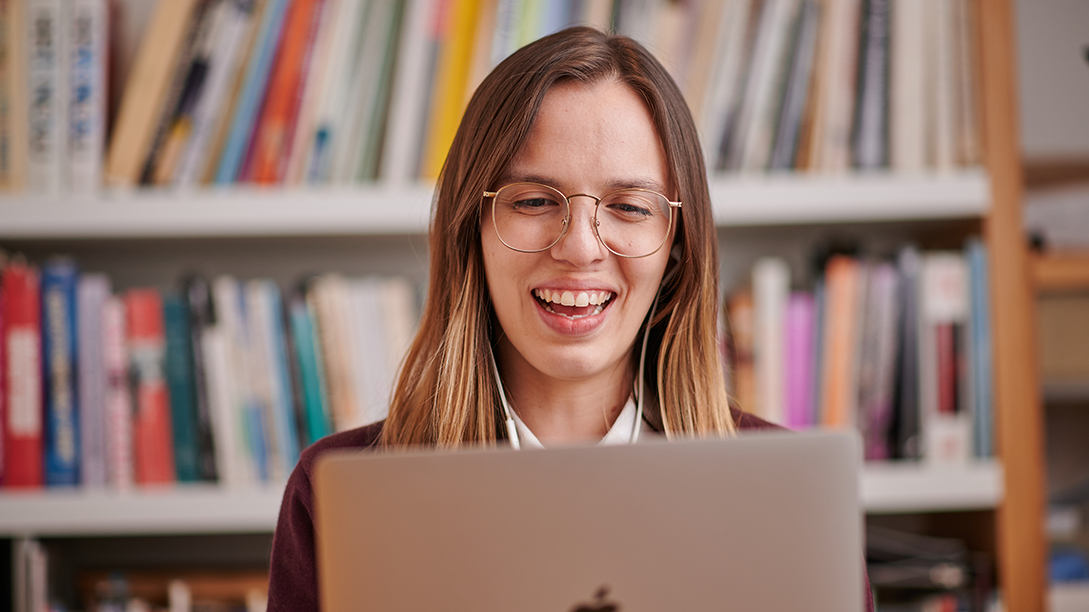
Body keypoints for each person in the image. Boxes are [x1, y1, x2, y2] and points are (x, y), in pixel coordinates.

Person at [266, 26, 873, 612]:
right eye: (533, 201)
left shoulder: (792, 504)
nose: (580, 247)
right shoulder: (337, 498)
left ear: (677, 246)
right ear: (469, 232)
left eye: (630, 207)